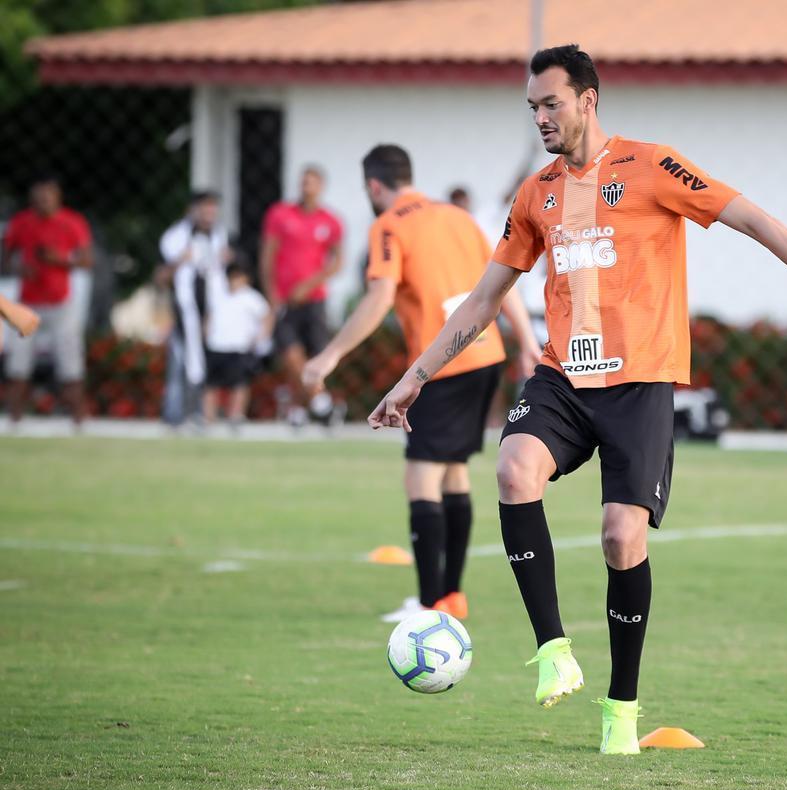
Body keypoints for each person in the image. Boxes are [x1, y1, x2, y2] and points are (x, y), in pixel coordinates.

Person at [366, 44, 787, 754]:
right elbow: (483, 301)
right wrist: (415, 376)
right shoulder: (537, 194)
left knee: (621, 538)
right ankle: (552, 649)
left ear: (588, 100)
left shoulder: (654, 166)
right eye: (532, 107)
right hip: (561, 379)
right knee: (512, 469)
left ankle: (622, 708)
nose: (541, 118)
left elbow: (754, 220)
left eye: (550, 103)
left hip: (640, 384)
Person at [302, 145, 542, 623]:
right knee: (453, 473)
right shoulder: (457, 216)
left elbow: (378, 299)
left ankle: (430, 602)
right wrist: (527, 343)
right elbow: (497, 281)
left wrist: (329, 355)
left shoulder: (387, 225)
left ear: (374, 186)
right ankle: (451, 596)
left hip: (442, 365)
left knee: (422, 475)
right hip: (487, 353)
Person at [2, 176, 94, 427]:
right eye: (38, 197)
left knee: (70, 362)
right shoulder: (21, 223)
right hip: (27, 303)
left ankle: (78, 422)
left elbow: (87, 261)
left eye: (48, 197)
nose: (43, 202)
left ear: (57, 198)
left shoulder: (72, 222)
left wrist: (60, 260)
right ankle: (14, 421)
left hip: (61, 303)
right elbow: (5, 258)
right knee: (18, 363)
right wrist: (18, 268)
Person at [260, 166, 343, 427]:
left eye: (312, 183)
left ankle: (297, 409)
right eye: (303, 182)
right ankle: (322, 403)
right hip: (285, 301)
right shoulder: (280, 215)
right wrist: (272, 294)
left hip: (315, 300)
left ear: (321, 187)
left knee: (315, 357)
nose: (306, 187)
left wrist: (310, 284)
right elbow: (267, 256)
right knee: (291, 355)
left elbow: (337, 261)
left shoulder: (330, 221)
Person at [159, 190, 231, 427]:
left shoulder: (218, 236)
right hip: (185, 310)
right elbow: (162, 276)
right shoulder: (177, 236)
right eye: (204, 208)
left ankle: (203, 413)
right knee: (180, 361)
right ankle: (175, 415)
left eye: (212, 208)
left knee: (207, 363)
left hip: (210, 311)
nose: (208, 213)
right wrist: (182, 259)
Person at [202, 257, 272, 429]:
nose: (234, 281)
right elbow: (209, 316)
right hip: (216, 345)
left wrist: (261, 337)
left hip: (239, 347)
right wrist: (205, 332)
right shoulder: (218, 295)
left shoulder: (252, 297)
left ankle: (235, 415)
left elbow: (267, 316)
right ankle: (208, 417)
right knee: (211, 384)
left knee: (239, 384)